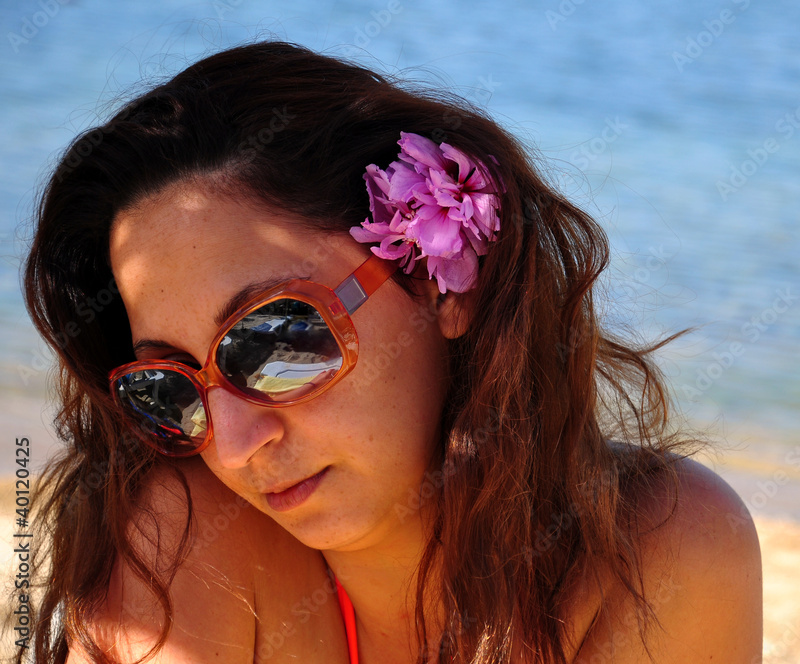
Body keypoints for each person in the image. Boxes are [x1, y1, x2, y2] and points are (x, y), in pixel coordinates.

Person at [20, 41, 762, 663]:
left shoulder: (663, 546)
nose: (237, 445)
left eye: (273, 340)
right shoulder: (185, 539)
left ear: (443, 285)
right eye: (170, 388)